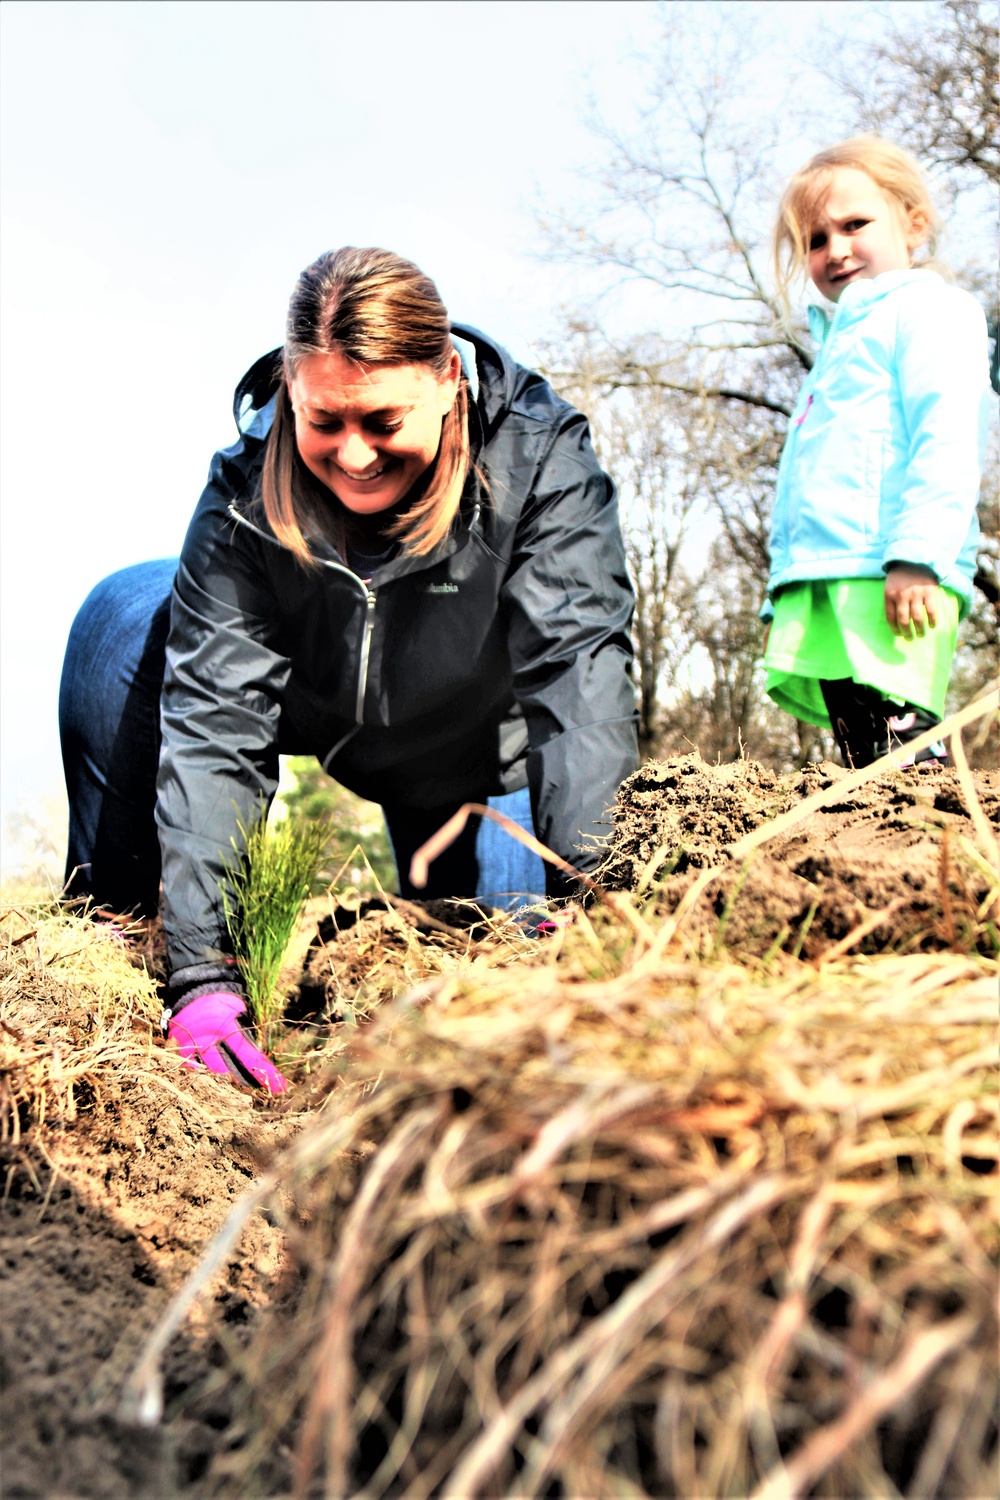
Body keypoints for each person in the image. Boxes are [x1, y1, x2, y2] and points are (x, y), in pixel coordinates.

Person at [59, 247, 639, 1092]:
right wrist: (201, 973)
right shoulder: (248, 490)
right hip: (321, 711)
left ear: (448, 381)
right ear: (291, 387)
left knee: (499, 965)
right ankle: (119, 930)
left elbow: (577, 685)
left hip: (473, 756)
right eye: (325, 421)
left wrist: (596, 909)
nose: (355, 456)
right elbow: (217, 719)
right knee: (130, 610)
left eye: (382, 421)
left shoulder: (539, 463)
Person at [762, 136, 991, 768]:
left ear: (913, 222)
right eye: (814, 239)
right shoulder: (834, 346)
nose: (835, 249)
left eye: (854, 225)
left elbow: (945, 436)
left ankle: (940, 860)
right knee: (865, 766)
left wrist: (918, 555)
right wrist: (781, 585)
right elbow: (801, 477)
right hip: (825, 578)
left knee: (907, 757)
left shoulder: (932, 311)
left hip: (892, 573)